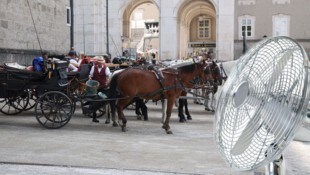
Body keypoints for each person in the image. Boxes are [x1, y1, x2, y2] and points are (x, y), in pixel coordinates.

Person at [88, 56, 111, 123]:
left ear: (103, 63)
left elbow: (109, 76)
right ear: (97, 63)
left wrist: (108, 81)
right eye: (98, 63)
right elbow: (90, 75)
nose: (100, 64)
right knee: (94, 101)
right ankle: (94, 117)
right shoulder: (93, 67)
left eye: (101, 63)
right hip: (95, 88)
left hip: (103, 87)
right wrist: (90, 78)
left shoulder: (106, 68)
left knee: (106, 102)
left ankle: (108, 119)